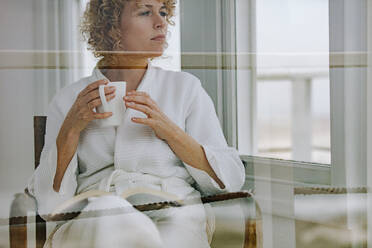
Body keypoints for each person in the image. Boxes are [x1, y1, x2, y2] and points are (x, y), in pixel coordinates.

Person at [27, 0, 245, 247]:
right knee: (108, 215)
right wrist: (70, 130)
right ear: (111, 26)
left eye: (163, 12)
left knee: (171, 234)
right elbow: (50, 206)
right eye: (145, 12)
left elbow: (230, 178)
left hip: (173, 213)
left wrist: (171, 132)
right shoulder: (70, 99)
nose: (161, 22)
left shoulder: (185, 88)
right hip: (95, 215)